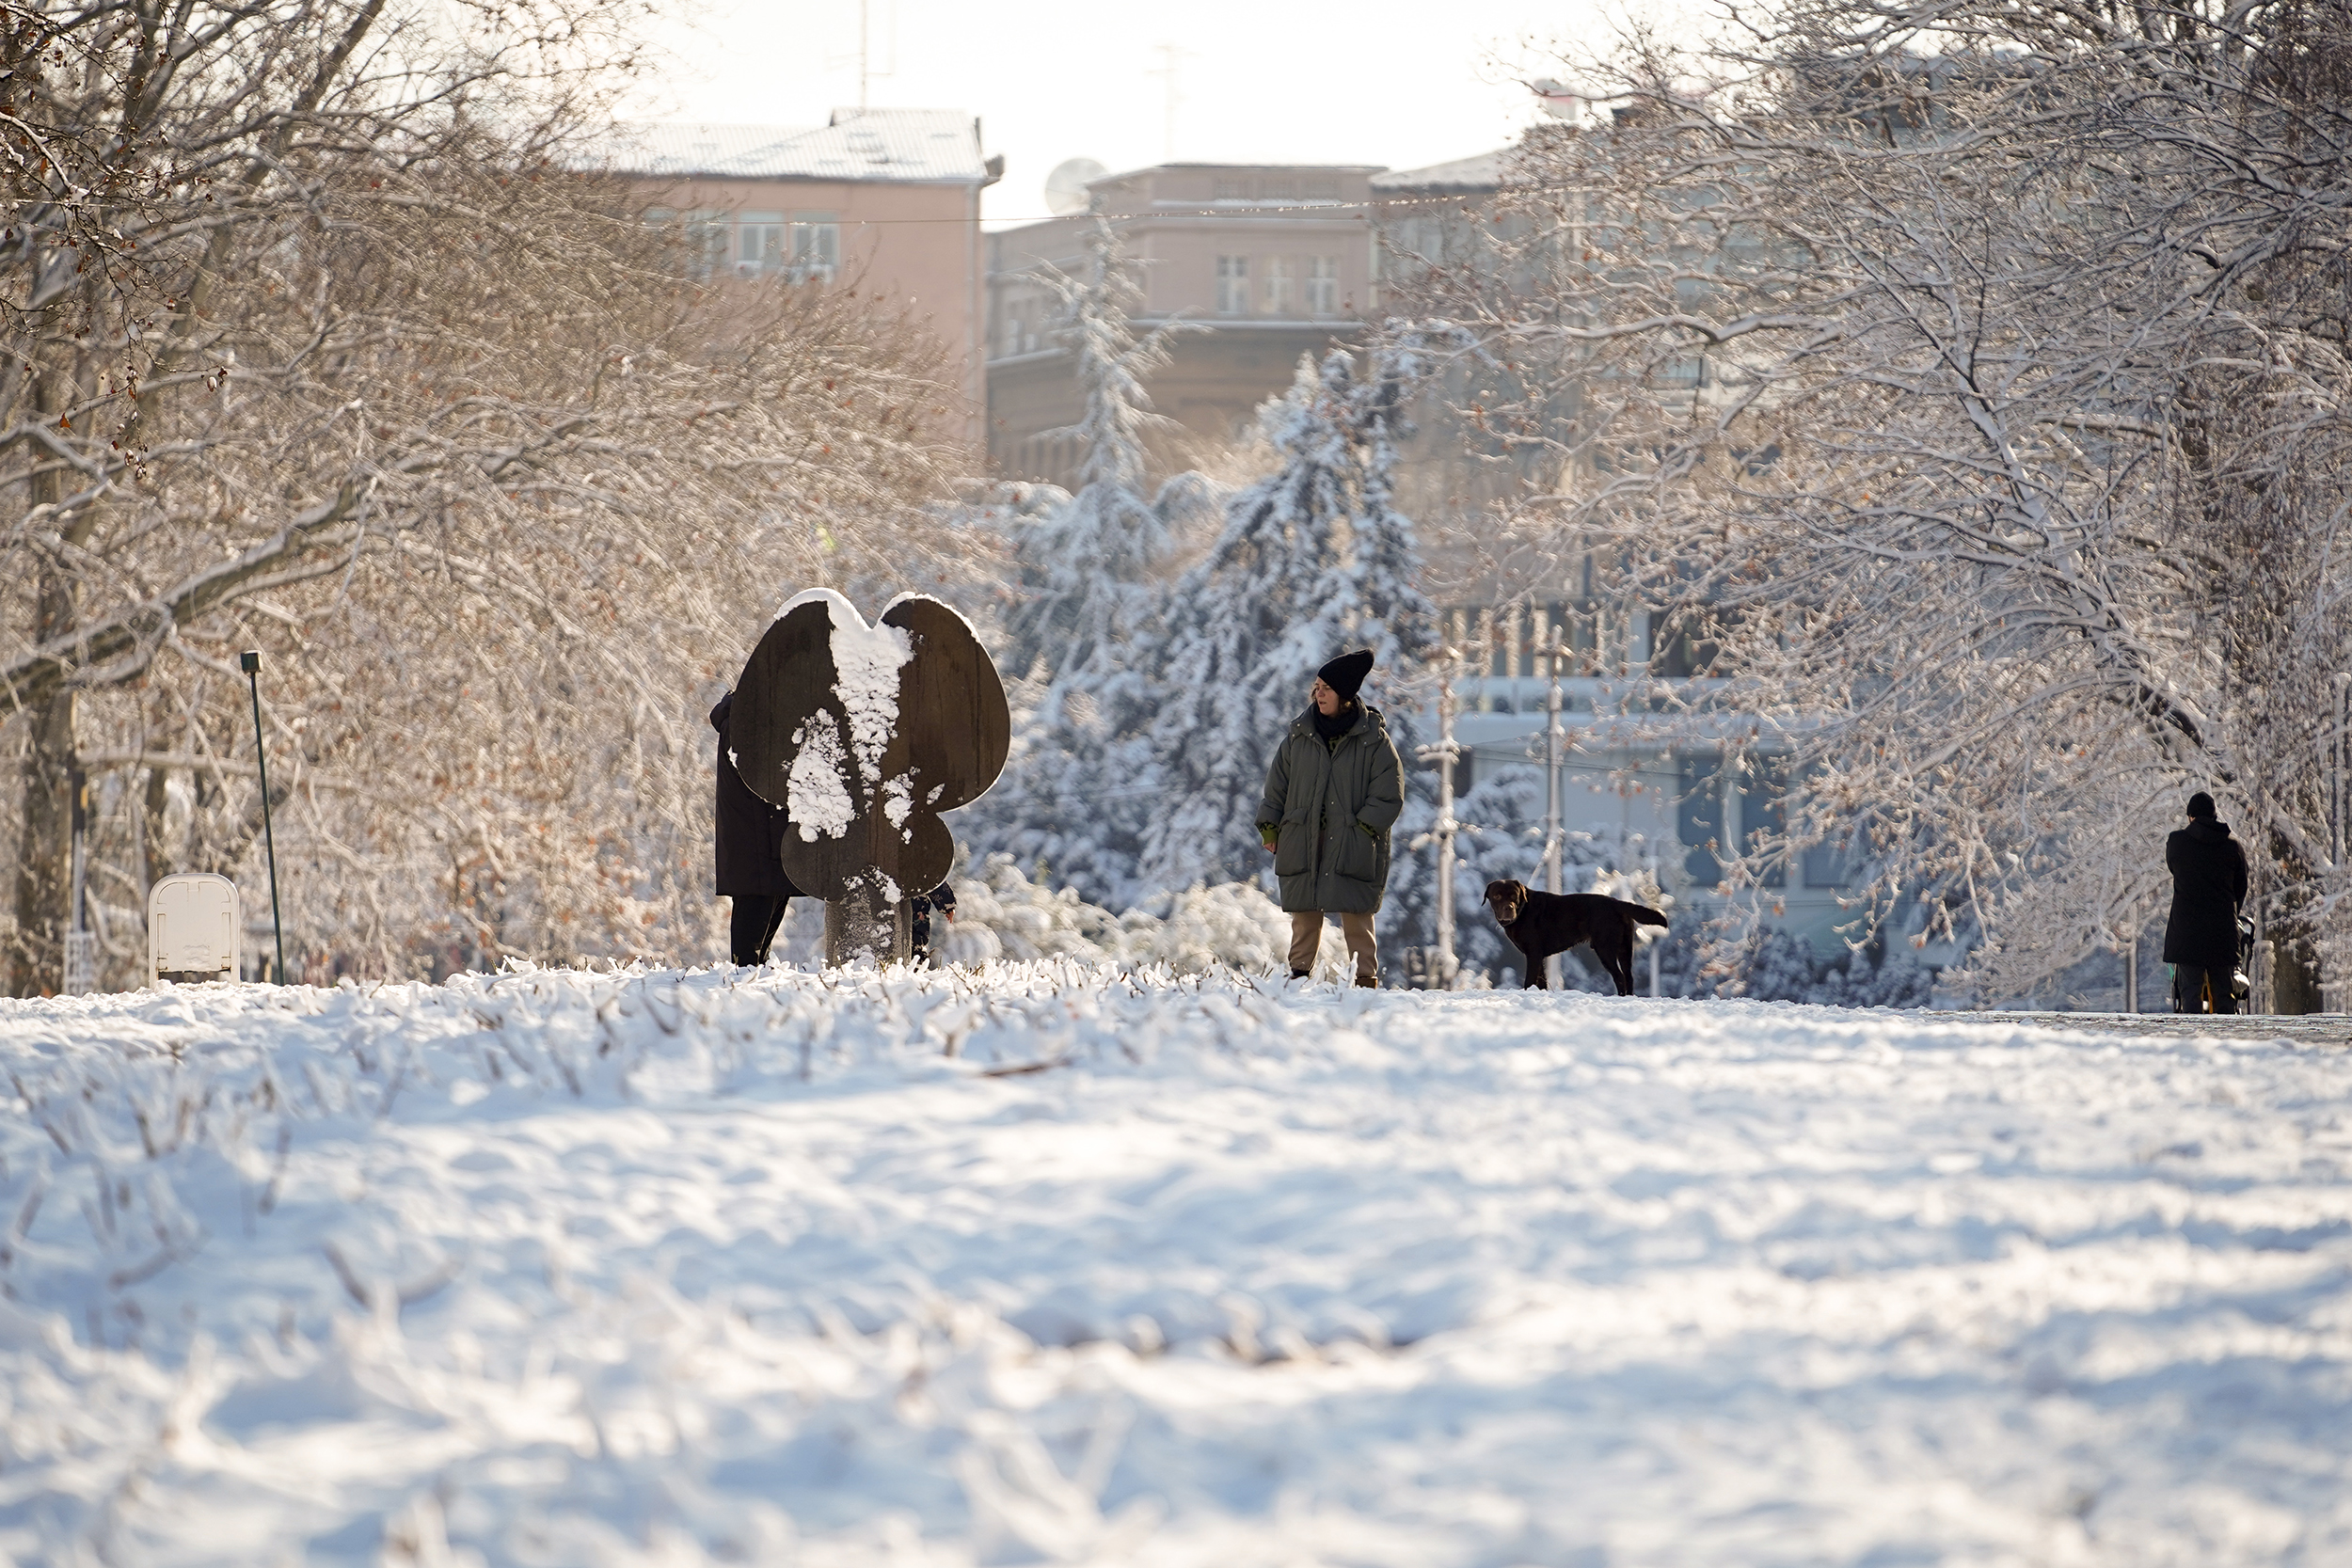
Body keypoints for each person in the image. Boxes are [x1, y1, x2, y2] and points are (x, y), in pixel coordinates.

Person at [1255, 649, 1404, 987]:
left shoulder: (1374, 741)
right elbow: (1276, 787)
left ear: (1345, 695)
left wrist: (1362, 828)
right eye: (1317, 687)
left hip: (1352, 839)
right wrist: (1270, 828)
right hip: (1303, 836)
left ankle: (1364, 979)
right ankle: (1298, 976)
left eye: (1327, 688)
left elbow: (1389, 794)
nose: (1318, 694)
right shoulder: (1298, 738)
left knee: (1356, 912)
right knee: (1305, 912)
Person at [708, 689, 803, 966]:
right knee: (748, 955)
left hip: (765, 846)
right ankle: (743, 986)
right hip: (758, 848)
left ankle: (751, 983)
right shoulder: (744, 724)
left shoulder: (747, 720)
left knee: (757, 949)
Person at [2164, 790, 2249, 1014]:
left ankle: (2192, 1034)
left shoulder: (2177, 842)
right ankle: (2226, 1033)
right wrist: (2230, 912)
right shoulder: (2232, 847)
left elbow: (2175, 869)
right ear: (2214, 815)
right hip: (2222, 929)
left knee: (2190, 993)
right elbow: (2241, 886)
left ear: (2191, 816)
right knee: (2224, 994)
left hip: (2187, 929)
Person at [911, 882, 957, 964]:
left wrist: (947, 906)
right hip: (916, 910)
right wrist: (947, 905)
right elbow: (933, 879)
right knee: (916, 945)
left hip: (889, 907)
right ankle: (916, 965)